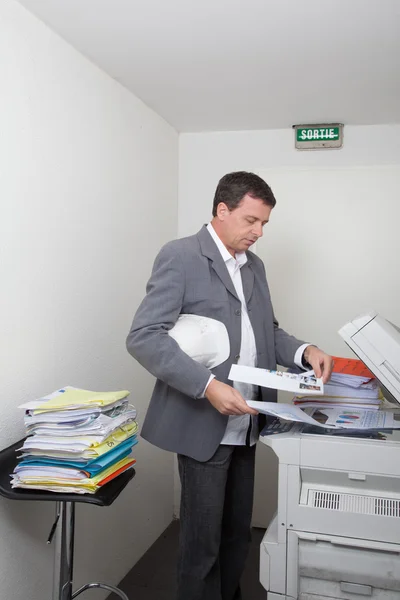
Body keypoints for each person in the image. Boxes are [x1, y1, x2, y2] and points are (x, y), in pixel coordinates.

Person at [126, 171, 333, 600]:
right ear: (222, 210)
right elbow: (144, 336)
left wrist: (305, 351)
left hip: (250, 421)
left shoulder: (254, 266)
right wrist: (207, 386)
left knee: (238, 535)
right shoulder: (181, 256)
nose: (258, 232)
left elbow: (266, 331)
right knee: (201, 544)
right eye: (251, 221)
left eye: (264, 225)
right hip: (204, 421)